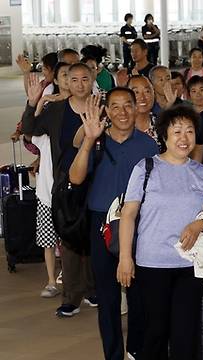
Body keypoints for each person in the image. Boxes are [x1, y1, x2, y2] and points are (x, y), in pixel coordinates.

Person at [117, 105, 203, 360]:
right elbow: (128, 215)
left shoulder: (202, 173)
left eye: (189, 131)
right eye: (177, 132)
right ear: (164, 136)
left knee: (186, 334)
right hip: (151, 263)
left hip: (190, 265)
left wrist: (200, 224)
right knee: (155, 332)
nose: (184, 138)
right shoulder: (146, 168)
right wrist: (125, 258)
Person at [69, 89, 158, 360]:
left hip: (139, 223)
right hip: (102, 224)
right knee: (107, 297)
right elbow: (75, 178)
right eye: (115, 107)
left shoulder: (149, 145)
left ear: (136, 108)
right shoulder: (95, 142)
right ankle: (113, 354)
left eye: (127, 106)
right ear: (106, 111)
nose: (122, 112)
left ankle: (135, 350)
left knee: (138, 294)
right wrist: (88, 139)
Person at [22, 63, 98, 317]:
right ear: (65, 81)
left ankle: (93, 289)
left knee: (94, 239)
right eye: (73, 79)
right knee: (70, 241)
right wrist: (33, 104)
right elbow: (30, 130)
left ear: (92, 80)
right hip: (65, 186)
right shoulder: (57, 111)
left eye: (84, 79)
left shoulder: (101, 108)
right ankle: (72, 296)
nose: (79, 84)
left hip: (97, 182)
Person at [30, 61, 70, 300]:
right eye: (63, 75)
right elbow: (31, 129)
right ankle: (51, 280)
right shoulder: (46, 128)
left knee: (70, 240)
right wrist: (39, 103)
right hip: (46, 193)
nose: (67, 79)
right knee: (48, 239)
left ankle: (71, 279)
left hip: (67, 192)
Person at [127, 75, 161, 148]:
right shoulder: (118, 125)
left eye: (147, 91)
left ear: (154, 94)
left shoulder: (164, 125)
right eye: (136, 92)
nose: (142, 97)